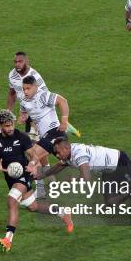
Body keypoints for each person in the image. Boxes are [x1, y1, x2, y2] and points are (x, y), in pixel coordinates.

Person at [0, 110, 73, 252]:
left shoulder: (21, 137)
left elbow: (34, 156)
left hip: (24, 174)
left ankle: (8, 239)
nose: (11, 128)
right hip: (10, 178)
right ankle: (62, 212)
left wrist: (32, 164)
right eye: (7, 126)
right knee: (32, 206)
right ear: (0, 125)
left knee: (12, 200)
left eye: (12, 124)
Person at [32, 138, 131, 224]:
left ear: (66, 148)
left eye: (58, 152)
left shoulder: (79, 154)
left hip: (121, 163)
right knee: (111, 203)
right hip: (109, 170)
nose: (57, 155)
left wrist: (74, 180)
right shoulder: (68, 155)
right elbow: (59, 166)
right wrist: (41, 175)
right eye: (55, 153)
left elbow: (86, 178)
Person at [6, 51, 81, 198]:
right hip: (42, 129)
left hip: (54, 131)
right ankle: (47, 183)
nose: (25, 91)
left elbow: (62, 101)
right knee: (62, 159)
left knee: (36, 155)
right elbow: (21, 108)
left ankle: (42, 186)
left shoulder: (42, 93)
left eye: (28, 88)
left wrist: (64, 120)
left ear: (35, 87)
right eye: (24, 89)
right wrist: (21, 116)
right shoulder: (25, 100)